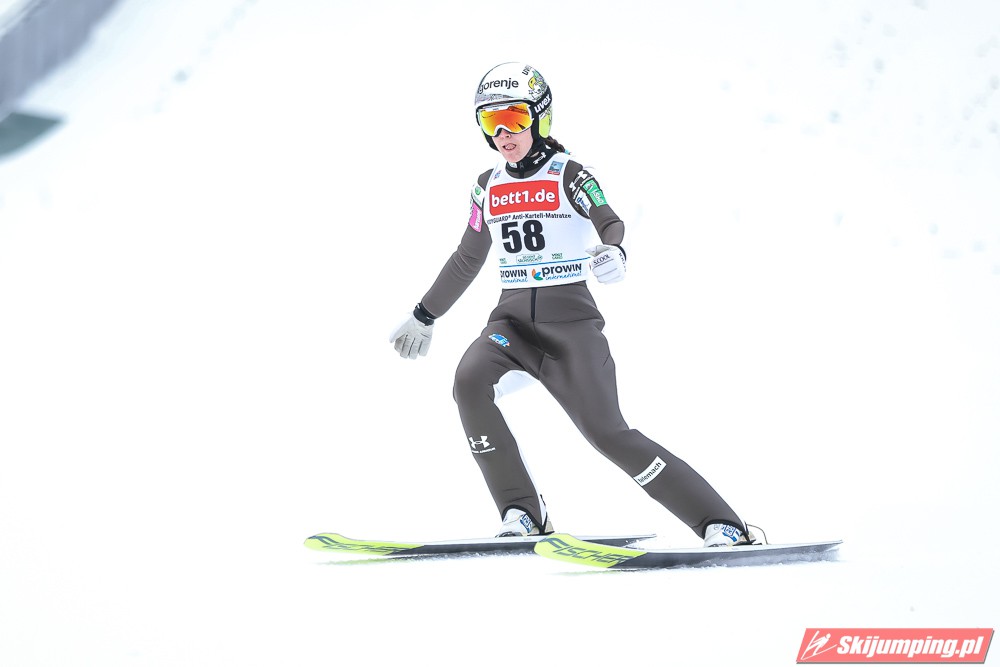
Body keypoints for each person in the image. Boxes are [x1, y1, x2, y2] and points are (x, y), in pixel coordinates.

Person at [390, 62, 755, 547]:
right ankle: (522, 512)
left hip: (570, 330)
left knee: (608, 434)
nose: (503, 133)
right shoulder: (486, 185)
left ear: (540, 118)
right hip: (510, 327)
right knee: (469, 380)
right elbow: (467, 257)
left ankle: (721, 522)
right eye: (490, 121)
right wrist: (424, 314)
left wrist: (615, 251)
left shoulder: (570, 174)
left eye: (515, 117)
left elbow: (610, 220)